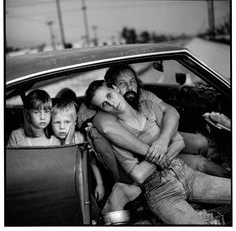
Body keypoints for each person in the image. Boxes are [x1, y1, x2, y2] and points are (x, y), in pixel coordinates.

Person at [85, 80, 231, 225]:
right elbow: (138, 175)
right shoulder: (117, 135)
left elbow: (180, 142)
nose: (111, 103)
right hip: (160, 192)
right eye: (104, 104)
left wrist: (161, 143)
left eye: (109, 95)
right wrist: (162, 154)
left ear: (116, 88)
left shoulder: (149, 107)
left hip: (186, 173)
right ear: (103, 110)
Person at [80, 65, 228, 178]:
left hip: (164, 140)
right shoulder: (106, 110)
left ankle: (213, 170)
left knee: (201, 142)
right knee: (201, 164)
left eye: (132, 81)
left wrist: (163, 140)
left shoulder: (143, 95)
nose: (130, 87)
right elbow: (105, 127)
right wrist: (154, 153)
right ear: (114, 87)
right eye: (122, 83)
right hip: (148, 159)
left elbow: (171, 112)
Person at [51, 93, 105, 202]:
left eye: (67, 122)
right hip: (61, 189)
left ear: (75, 121)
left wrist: (100, 184)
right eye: (57, 122)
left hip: (83, 185)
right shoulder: (50, 142)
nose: (62, 127)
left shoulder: (80, 137)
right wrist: (68, 141)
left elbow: (92, 162)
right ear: (50, 123)